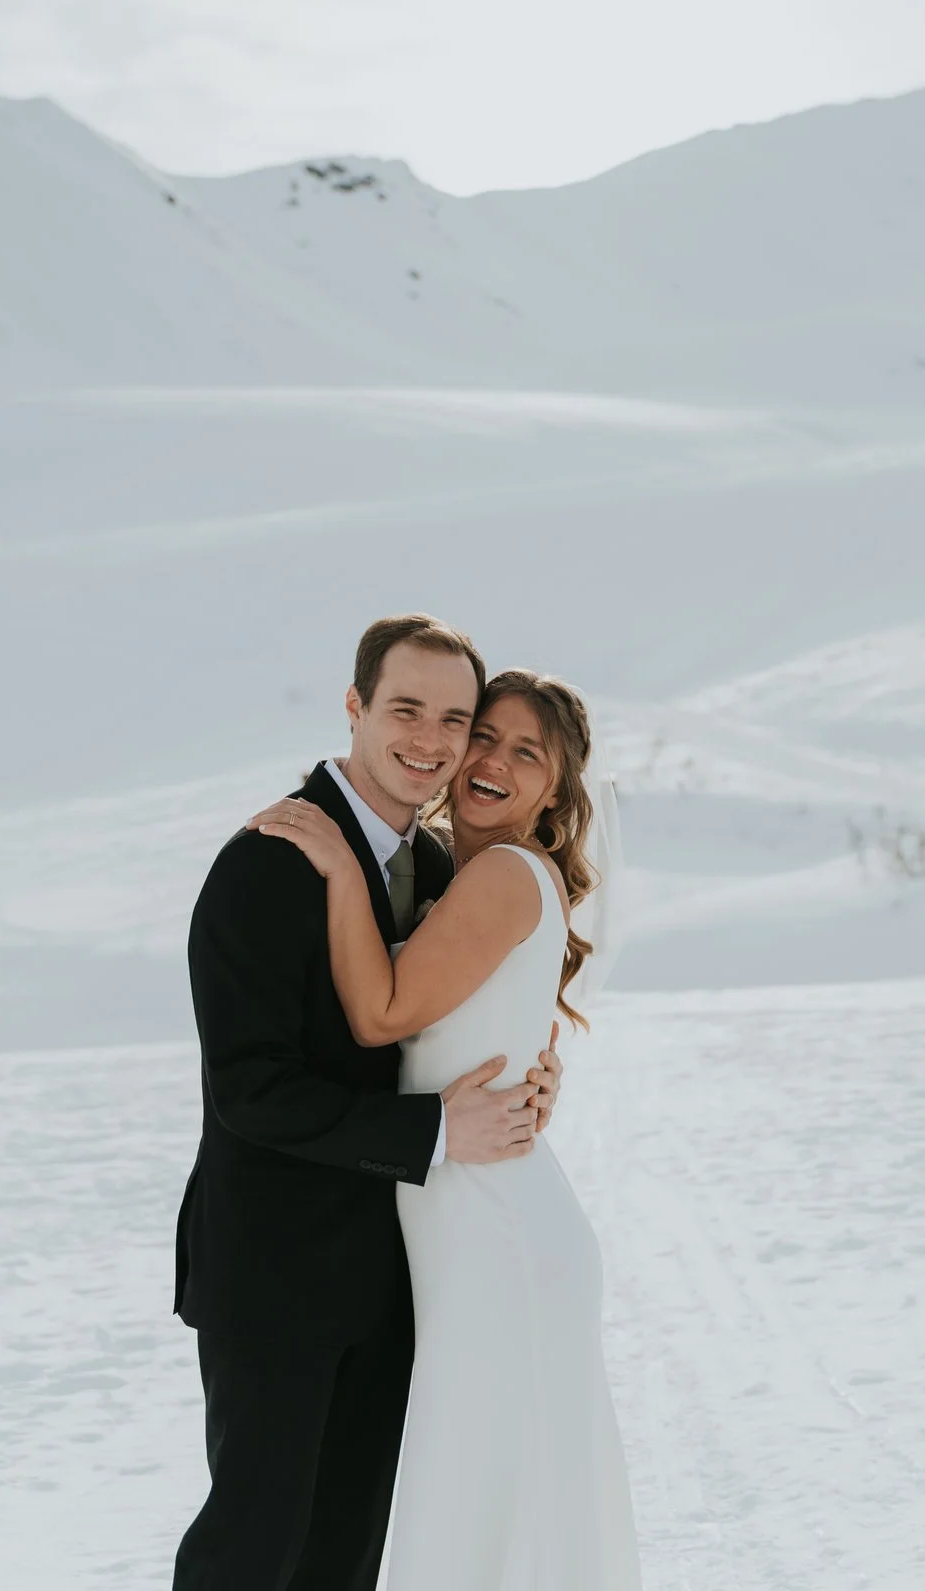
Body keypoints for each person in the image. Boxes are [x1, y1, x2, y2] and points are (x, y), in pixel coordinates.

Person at [170, 615, 566, 1590]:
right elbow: (250, 1092)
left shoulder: (436, 874)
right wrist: (436, 1130)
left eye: (452, 718)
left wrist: (534, 1069)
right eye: (404, 709)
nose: (429, 740)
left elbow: (464, 1013)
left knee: (342, 1561)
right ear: (354, 707)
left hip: (396, 1280)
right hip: (274, 1275)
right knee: (252, 1552)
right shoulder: (268, 861)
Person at [252, 667, 641, 1591]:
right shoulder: (466, 876)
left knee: (487, 1488)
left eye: (527, 752)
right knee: (501, 1486)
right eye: (486, 735)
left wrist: (340, 864)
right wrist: (540, 1071)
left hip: (492, 1227)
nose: (493, 760)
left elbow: (383, 1013)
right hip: (475, 1214)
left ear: (556, 789)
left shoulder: (504, 873)